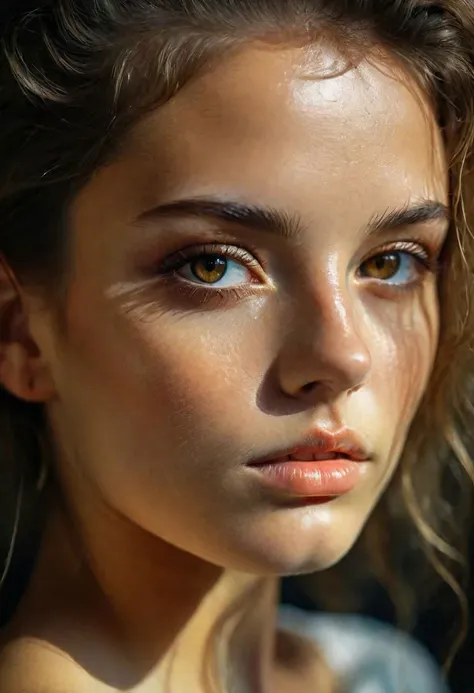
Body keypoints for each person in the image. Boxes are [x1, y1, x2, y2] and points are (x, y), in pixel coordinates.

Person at [0, 1, 473, 691]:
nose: (343, 356)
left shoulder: (377, 669)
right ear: (20, 332)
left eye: (391, 263)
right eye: (213, 265)